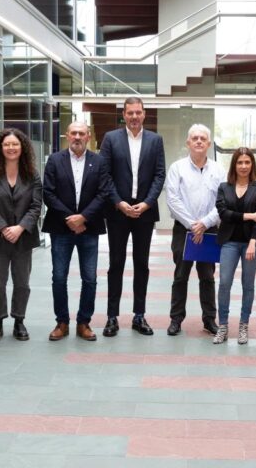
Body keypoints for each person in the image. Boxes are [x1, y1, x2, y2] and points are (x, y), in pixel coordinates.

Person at [99, 97, 166, 337]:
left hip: (144, 214)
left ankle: (139, 315)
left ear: (144, 114)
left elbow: (160, 175)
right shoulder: (111, 139)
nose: (134, 117)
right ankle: (112, 317)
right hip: (118, 212)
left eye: (138, 112)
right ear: (124, 115)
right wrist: (119, 203)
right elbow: (104, 175)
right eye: (130, 113)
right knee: (115, 264)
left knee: (142, 264)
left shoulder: (155, 140)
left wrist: (147, 203)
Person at [42, 121, 111, 341]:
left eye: (82, 133)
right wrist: (70, 218)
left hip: (89, 228)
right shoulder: (54, 160)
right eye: (74, 133)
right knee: (59, 277)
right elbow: (48, 193)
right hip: (60, 228)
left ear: (88, 136)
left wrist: (83, 218)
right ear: (67, 136)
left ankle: (84, 322)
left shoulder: (99, 162)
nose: (78, 137)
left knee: (89, 278)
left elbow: (103, 193)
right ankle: (62, 322)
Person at [0, 129, 42, 342]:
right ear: (0, 147)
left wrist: (20, 227)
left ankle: (19, 320)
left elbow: (36, 205)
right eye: (7, 144)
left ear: (22, 147)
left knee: (22, 282)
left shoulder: (32, 173)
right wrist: (4, 228)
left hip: (23, 239)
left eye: (15, 144)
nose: (11, 148)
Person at [165, 124, 225, 336]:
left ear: (208, 144)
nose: (199, 141)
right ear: (188, 143)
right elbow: (172, 200)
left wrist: (205, 223)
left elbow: (223, 202)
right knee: (180, 276)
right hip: (184, 230)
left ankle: (209, 320)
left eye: (203, 138)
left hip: (210, 231)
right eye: (195, 138)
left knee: (207, 277)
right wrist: (193, 224)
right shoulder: (177, 168)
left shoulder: (219, 170)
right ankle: (176, 320)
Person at [213, 148, 256, 345]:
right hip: (229, 241)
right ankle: (223, 326)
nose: (243, 166)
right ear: (234, 165)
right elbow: (223, 213)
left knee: (248, 284)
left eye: (247, 162)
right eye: (240, 162)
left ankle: (244, 325)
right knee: (224, 282)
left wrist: (253, 241)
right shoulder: (224, 187)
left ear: (252, 164)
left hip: (251, 243)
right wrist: (249, 215)